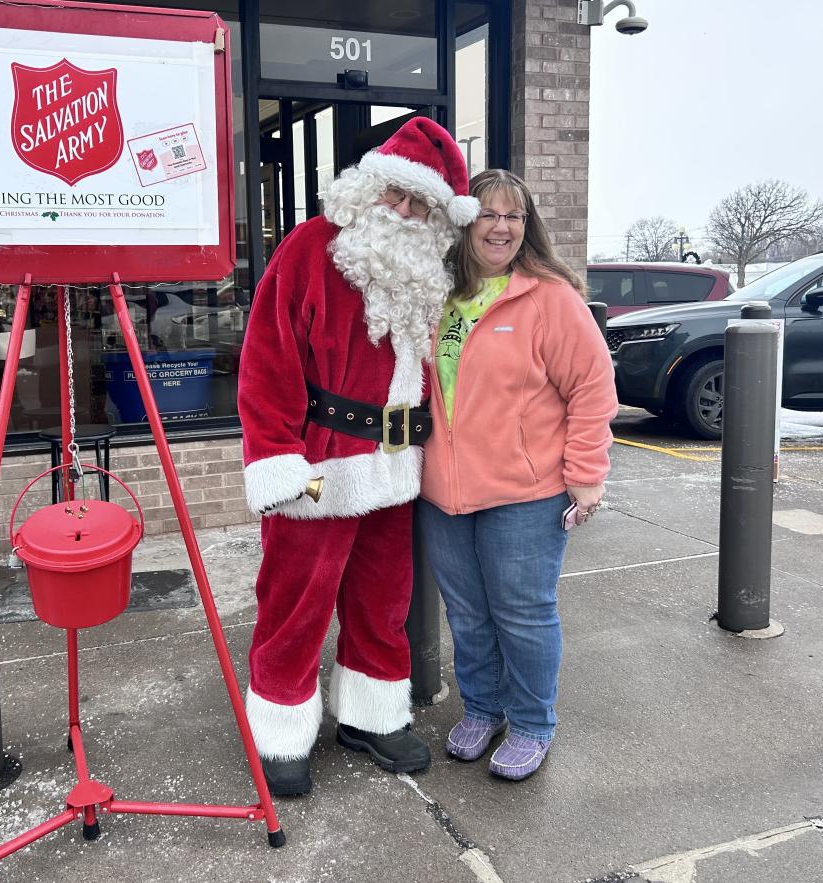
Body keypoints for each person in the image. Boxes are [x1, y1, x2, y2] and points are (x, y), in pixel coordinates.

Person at [237, 118, 480, 796]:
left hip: (396, 464)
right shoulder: (310, 249)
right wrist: (275, 455)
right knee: (297, 598)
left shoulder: (428, 273)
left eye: (421, 205)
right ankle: (280, 725)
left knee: (383, 596)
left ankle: (369, 714)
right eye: (397, 196)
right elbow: (266, 361)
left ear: (436, 218)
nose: (404, 213)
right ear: (369, 187)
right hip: (317, 463)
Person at [418, 169, 618, 781]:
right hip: (442, 493)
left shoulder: (549, 298)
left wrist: (586, 477)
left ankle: (532, 723)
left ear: (525, 227)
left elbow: (592, 389)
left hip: (524, 493)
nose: (500, 226)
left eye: (513, 215)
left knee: (522, 613)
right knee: (467, 612)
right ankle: (483, 708)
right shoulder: (436, 296)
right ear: (462, 223)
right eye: (487, 213)